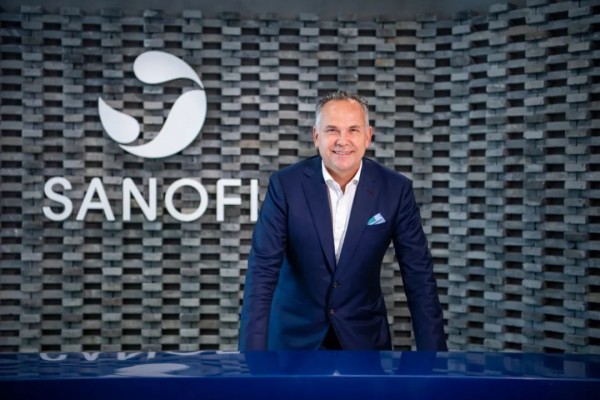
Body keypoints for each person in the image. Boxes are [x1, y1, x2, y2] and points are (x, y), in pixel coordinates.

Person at [239, 90, 447, 351]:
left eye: (353, 130)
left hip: (364, 339)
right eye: (332, 130)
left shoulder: (395, 190)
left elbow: (418, 275)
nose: (342, 141)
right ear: (316, 136)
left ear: (368, 136)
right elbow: (262, 271)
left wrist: (435, 359)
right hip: (294, 339)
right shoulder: (285, 186)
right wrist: (251, 359)